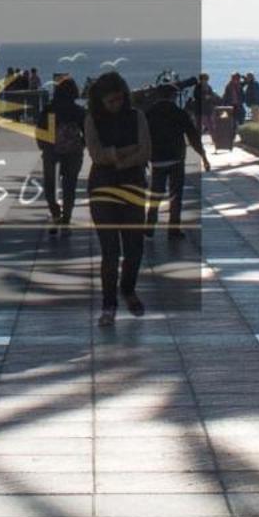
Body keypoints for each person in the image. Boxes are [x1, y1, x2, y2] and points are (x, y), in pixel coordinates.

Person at [85, 71, 150, 326]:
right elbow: (96, 154)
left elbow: (145, 151)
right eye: (110, 101)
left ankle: (128, 289)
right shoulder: (92, 120)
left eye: (119, 99)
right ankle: (108, 304)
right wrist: (125, 152)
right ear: (100, 100)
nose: (116, 105)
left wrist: (116, 158)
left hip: (133, 186)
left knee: (135, 247)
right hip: (102, 189)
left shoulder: (137, 117)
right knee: (110, 251)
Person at [145, 78, 209, 240]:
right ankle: (173, 229)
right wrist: (204, 156)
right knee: (176, 196)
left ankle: (150, 225)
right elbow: (193, 136)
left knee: (155, 194)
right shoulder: (179, 113)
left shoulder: (149, 113)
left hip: (157, 159)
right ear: (173, 96)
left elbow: (142, 137)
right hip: (176, 158)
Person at [36, 74, 86, 231]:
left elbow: (42, 131)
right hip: (74, 152)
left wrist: (43, 146)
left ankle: (55, 213)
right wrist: (81, 145)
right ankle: (67, 217)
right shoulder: (78, 111)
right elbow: (87, 131)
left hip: (52, 151)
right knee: (69, 185)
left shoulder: (50, 110)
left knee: (50, 185)